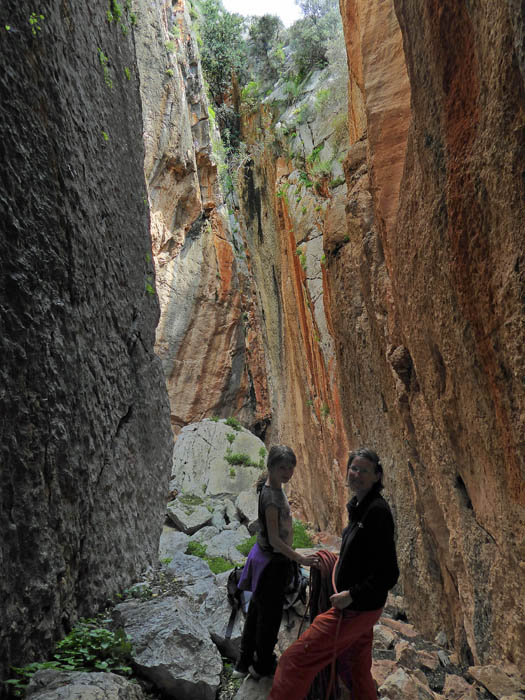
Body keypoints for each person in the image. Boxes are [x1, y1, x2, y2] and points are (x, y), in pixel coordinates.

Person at [269, 447, 399, 700]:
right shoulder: (359, 506)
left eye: (364, 470)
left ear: (377, 476)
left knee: (295, 661)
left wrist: (351, 594)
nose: (357, 474)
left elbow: (388, 573)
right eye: (354, 468)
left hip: (355, 608)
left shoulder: (377, 512)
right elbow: (363, 555)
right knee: (355, 666)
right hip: (362, 607)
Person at [233, 445, 319, 680]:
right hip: (272, 563)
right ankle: (261, 666)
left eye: (291, 468)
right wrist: (300, 558)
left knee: (257, 611)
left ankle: (243, 662)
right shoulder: (272, 497)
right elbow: (274, 538)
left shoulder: (271, 488)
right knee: (269, 617)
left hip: (264, 557)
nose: (288, 472)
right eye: (282, 467)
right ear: (270, 466)